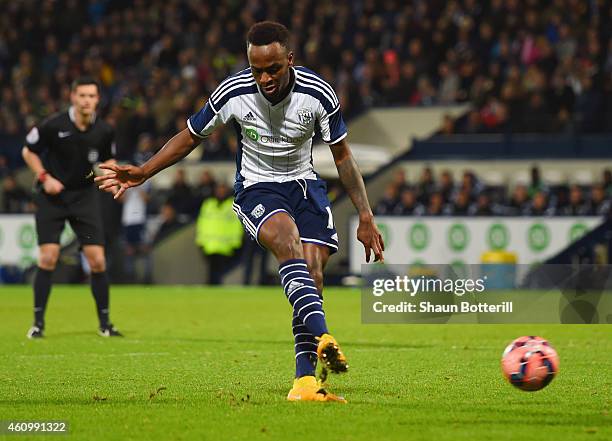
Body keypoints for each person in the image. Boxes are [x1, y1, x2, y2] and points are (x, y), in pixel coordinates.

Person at [97, 21, 384, 403]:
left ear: (290, 60)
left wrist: (365, 215)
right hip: (257, 187)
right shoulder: (233, 92)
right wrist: (144, 171)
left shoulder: (319, 94)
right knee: (288, 243)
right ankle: (324, 336)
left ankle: (304, 383)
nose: (265, 77)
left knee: (313, 276)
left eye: (274, 69)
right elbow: (189, 137)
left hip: (304, 186)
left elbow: (343, 156)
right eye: (257, 69)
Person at [22, 77, 122, 339]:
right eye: (82, 96)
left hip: (83, 198)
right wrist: (44, 177)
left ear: (98, 99)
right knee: (48, 258)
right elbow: (28, 151)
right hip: (52, 198)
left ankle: (105, 324)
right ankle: (38, 324)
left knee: (98, 261)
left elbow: (107, 159)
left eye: (92, 96)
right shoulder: (53, 125)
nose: (87, 100)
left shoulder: (104, 130)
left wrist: (114, 179)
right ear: (72, 97)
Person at [195, 181, 243, 285]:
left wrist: (235, 243)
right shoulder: (208, 204)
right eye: (218, 189)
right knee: (212, 272)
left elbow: (236, 225)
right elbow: (201, 224)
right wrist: (200, 241)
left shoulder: (232, 204)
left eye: (222, 189)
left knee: (219, 274)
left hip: (226, 246)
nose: (220, 192)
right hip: (209, 246)